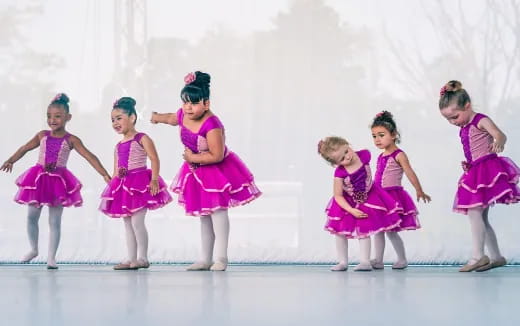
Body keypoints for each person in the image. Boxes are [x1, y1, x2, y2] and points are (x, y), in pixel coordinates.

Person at [151, 71, 261, 271]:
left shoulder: (212, 125)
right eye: (185, 102)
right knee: (204, 215)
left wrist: (193, 158)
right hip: (196, 173)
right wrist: (157, 117)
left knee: (218, 213)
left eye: (193, 103)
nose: (188, 107)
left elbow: (217, 155)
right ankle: (205, 258)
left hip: (215, 171)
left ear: (206, 103)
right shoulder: (184, 114)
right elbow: (171, 118)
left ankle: (221, 257)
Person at [1, 93, 111, 269]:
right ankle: (34, 249)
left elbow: (90, 156)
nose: (52, 120)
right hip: (38, 179)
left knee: (54, 221)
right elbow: (25, 148)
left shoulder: (71, 140)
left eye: (57, 116)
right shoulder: (42, 135)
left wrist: (104, 174)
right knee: (31, 216)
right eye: (49, 116)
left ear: (68, 117)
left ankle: (51, 257)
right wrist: (11, 160)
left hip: (58, 182)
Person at [439, 80, 520, 272]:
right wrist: (470, 164)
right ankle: (497, 256)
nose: (453, 122)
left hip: (488, 170)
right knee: (481, 217)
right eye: (448, 120)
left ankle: (478, 256)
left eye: (455, 116)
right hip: (475, 171)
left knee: (475, 213)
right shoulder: (465, 127)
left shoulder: (480, 120)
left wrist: (499, 142)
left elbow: (499, 134)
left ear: (467, 105)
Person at [100, 97, 172, 270]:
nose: (115, 123)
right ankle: (131, 258)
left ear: (132, 117)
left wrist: (154, 179)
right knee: (127, 224)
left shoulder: (142, 138)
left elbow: (154, 159)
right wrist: (111, 181)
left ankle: (143, 258)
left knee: (137, 223)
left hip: (139, 185)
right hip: (123, 186)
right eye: (112, 120)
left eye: (119, 118)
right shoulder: (118, 145)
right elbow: (117, 169)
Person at [318, 136, 402, 271]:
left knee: (365, 229)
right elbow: (338, 195)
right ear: (336, 163)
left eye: (346, 151)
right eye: (341, 159)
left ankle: (365, 261)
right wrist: (351, 210)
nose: (347, 157)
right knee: (340, 232)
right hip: (347, 202)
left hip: (370, 196)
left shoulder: (364, 155)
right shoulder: (340, 172)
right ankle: (343, 262)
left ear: (347, 144)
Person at [370, 111, 431, 270]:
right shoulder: (380, 156)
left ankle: (402, 259)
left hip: (392, 197)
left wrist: (419, 190)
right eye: (374, 136)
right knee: (378, 230)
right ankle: (378, 260)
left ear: (394, 135)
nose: (377, 140)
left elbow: (410, 172)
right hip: (379, 197)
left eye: (381, 135)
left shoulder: (399, 155)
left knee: (391, 231)